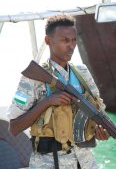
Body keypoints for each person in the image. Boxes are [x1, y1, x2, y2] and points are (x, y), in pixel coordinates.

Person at [7, 15, 110, 168]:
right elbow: (14, 128)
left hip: (85, 161)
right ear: (48, 41)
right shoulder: (33, 77)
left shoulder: (82, 73)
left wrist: (100, 131)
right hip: (48, 163)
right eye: (65, 40)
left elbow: (97, 112)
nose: (72, 46)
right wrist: (47, 102)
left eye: (74, 40)